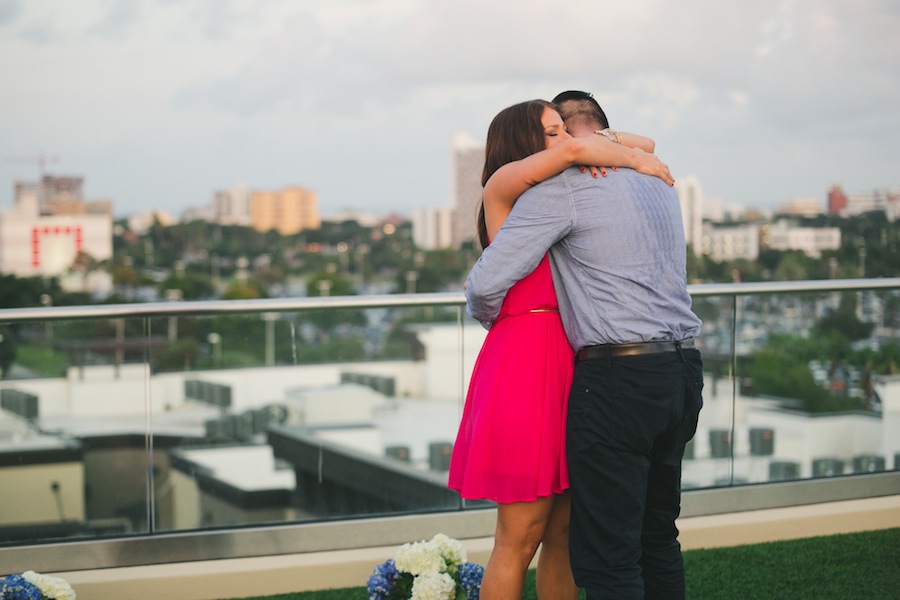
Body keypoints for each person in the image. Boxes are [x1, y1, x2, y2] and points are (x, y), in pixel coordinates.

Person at [465, 90, 704, 600]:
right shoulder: (517, 185)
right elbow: (485, 289)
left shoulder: (567, 191)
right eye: (545, 133)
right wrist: (629, 155)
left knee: (577, 539)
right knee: (532, 535)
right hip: (549, 365)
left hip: (590, 374)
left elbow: (598, 147)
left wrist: (614, 151)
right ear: (526, 143)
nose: (559, 142)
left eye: (560, 130)